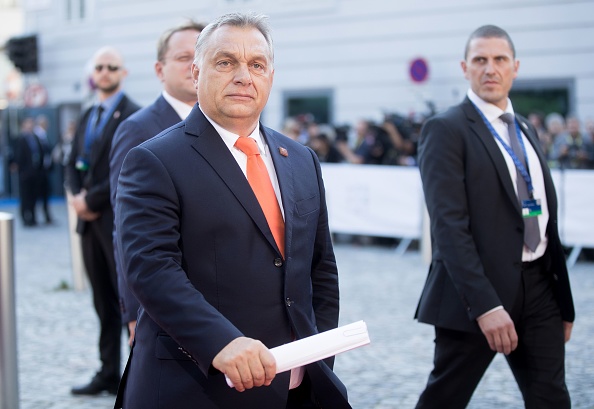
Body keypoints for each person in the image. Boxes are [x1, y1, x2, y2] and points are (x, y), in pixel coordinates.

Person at [113, 12, 350, 409]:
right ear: (196, 71)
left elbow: (320, 269)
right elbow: (151, 268)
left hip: (295, 387)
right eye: (226, 62)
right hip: (198, 387)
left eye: (257, 64)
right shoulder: (154, 159)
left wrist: (318, 357)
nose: (244, 76)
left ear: (270, 76)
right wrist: (220, 342)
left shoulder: (301, 159)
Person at [415, 25, 575, 409]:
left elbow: (544, 216)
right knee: (445, 399)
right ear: (464, 67)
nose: (490, 68)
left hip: (539, 288)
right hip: (474, 293)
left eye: (499, 59)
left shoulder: (524, 128)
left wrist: (562, 301)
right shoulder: (445, 129)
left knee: (551, 398)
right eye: (480, 60)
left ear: (515, 67)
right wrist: (485, 306)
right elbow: (448, 228)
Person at [109, 19, 204, 348]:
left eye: (203, 56)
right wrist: (134, 311)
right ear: (159, 69)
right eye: (183, 57)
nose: (194, 65)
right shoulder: (138, 129)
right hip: (162, 301)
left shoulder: (228, 128)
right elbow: (125, 229)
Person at [66, 46, 140, 395]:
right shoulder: (88, 114)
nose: (106, 72)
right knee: (102, 302)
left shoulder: (132, 116)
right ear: (92, 73)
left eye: (113, 66)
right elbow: (71, 160)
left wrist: (90, 200)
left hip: (115, 220)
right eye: (100, 66)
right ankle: (108, 371)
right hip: (88, 224)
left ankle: (135, 376)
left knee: (129, 301)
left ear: (123, 72)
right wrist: (75, 196)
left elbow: (125, 169)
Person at [13, 117, 43, 226]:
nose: (30, 125)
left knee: (33, 197)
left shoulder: (35, 137)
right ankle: (25, 218)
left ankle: (33, 218)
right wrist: (22, 171)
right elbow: (18, 157)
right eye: (28, 123)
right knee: (25, 197)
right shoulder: (21, 139)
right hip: (25, 174)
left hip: (35, 173)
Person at [33, 114, 53, 223]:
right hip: (38, 172)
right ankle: (34, 217)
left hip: (45, 170)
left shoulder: (44, 136)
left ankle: (47, 216)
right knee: (37, 195)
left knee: (46, 194)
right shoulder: (36, 136)